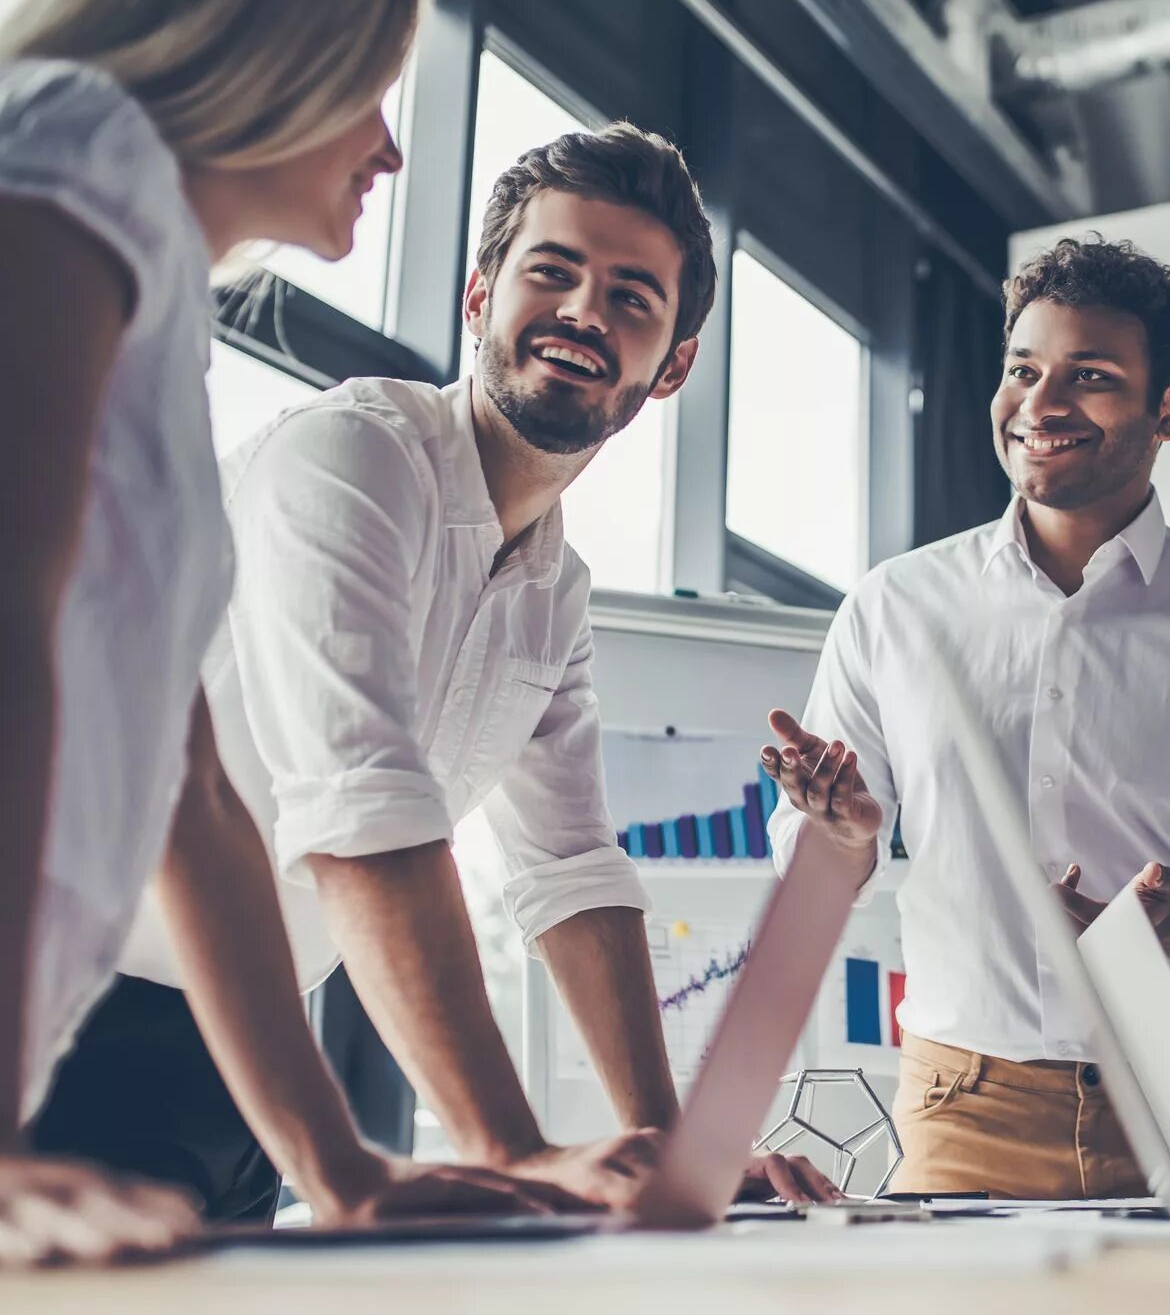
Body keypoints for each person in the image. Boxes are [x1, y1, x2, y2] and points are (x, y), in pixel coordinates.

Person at [43, 124, 841, 1220]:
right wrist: (506, 1145)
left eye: (630, 299)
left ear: (675, 366)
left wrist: (672, 1150)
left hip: (249, 1065)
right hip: (66, 1024)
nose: (581, 314)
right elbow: (355, 797)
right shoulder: (351, 458)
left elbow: (570, 871)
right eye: (551, 273)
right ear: (478, 297)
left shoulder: (555, 589)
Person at [0, 0, 552, 1268]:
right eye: (371, 91)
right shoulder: (77, 147)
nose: (391, 148)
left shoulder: (151, 307)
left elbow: (185, 788)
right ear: (273, 59)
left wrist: (338, 1168)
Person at [760, 236, 1170, 1200]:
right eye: (1023, 369)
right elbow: (814, 873)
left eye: (1088, 376)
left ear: (1169, 405)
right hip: (965, 1101)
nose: (1041, 405)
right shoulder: (893, 610)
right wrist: (837, 838)